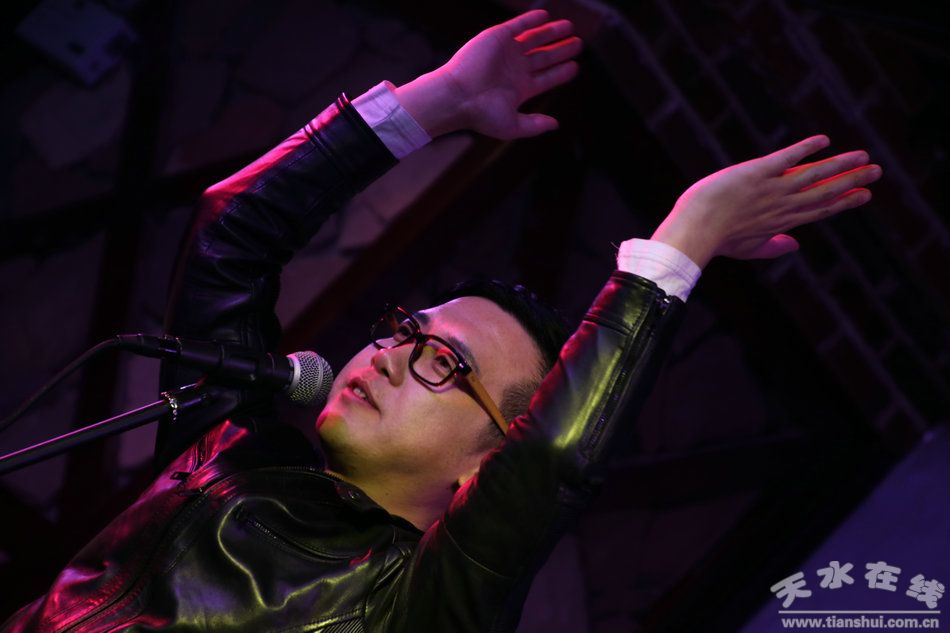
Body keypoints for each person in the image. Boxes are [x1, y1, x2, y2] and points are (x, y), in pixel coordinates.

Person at [2, 9, 881, 632]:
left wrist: (688, 236)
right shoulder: (229, 459)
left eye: (444, 362)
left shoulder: (421, 604)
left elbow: (552, 462)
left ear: (487, 464)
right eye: (401, 327)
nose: (390, 353)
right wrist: (439, 101)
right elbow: (231, 239)